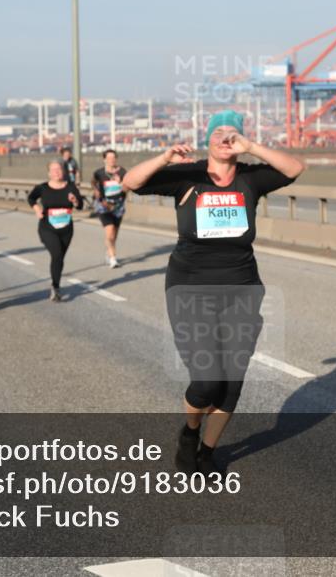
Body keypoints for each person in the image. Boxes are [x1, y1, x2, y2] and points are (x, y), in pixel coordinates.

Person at [122, 109, 305, 475]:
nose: (225, 137)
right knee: (207, 382)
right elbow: (131, 181)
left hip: (242, 289)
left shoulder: (252, 178)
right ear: (207, 140)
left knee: (231, 383)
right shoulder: (188, 176)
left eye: (233, 132)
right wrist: (164, 158)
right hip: (190, 289)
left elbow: (294, 169)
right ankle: (190, 433)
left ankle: (207, 451)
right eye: (218, 132)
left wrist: (252, 146)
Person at [27, 161, 84, 302]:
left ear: (63, 171)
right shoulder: (42, 187)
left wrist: (75, 200)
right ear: (49, 173)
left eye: (59, 169)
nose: (57, 172)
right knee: (57, 253)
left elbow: (80, 205)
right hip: (47, 227)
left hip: (66, 228)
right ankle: (56, 289)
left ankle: (55, 285)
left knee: (59, 258)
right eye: (53, 170)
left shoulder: (70, 187)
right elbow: (31, 197)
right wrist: (36, 209)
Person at [91, 149, 127, 268]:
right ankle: (113, 258)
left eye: (113, 158)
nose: (111, 160)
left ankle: (109, 252)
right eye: (109, 158)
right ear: (104, 159)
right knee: (110, 231)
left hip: (118, 206)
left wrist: (120, 183)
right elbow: (94, 183)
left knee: (114, 235)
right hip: (104, 206)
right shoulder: (99, 173)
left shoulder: (122, 172)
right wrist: (98, 195)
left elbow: (128, 187)